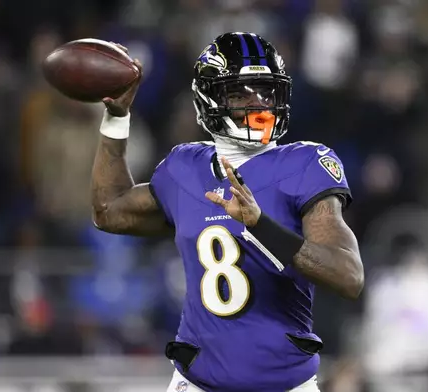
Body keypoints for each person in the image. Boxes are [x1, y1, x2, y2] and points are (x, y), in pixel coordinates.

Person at [91, 32, 364, 392]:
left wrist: (260, 225)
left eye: (266, 91)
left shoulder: (304, 163)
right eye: (240, 93)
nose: (258, 103)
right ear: (210, 99)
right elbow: (109, 211)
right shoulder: (184, 168)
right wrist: (116, 118)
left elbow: (348, 276)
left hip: (285, 384)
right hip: (197, 382)